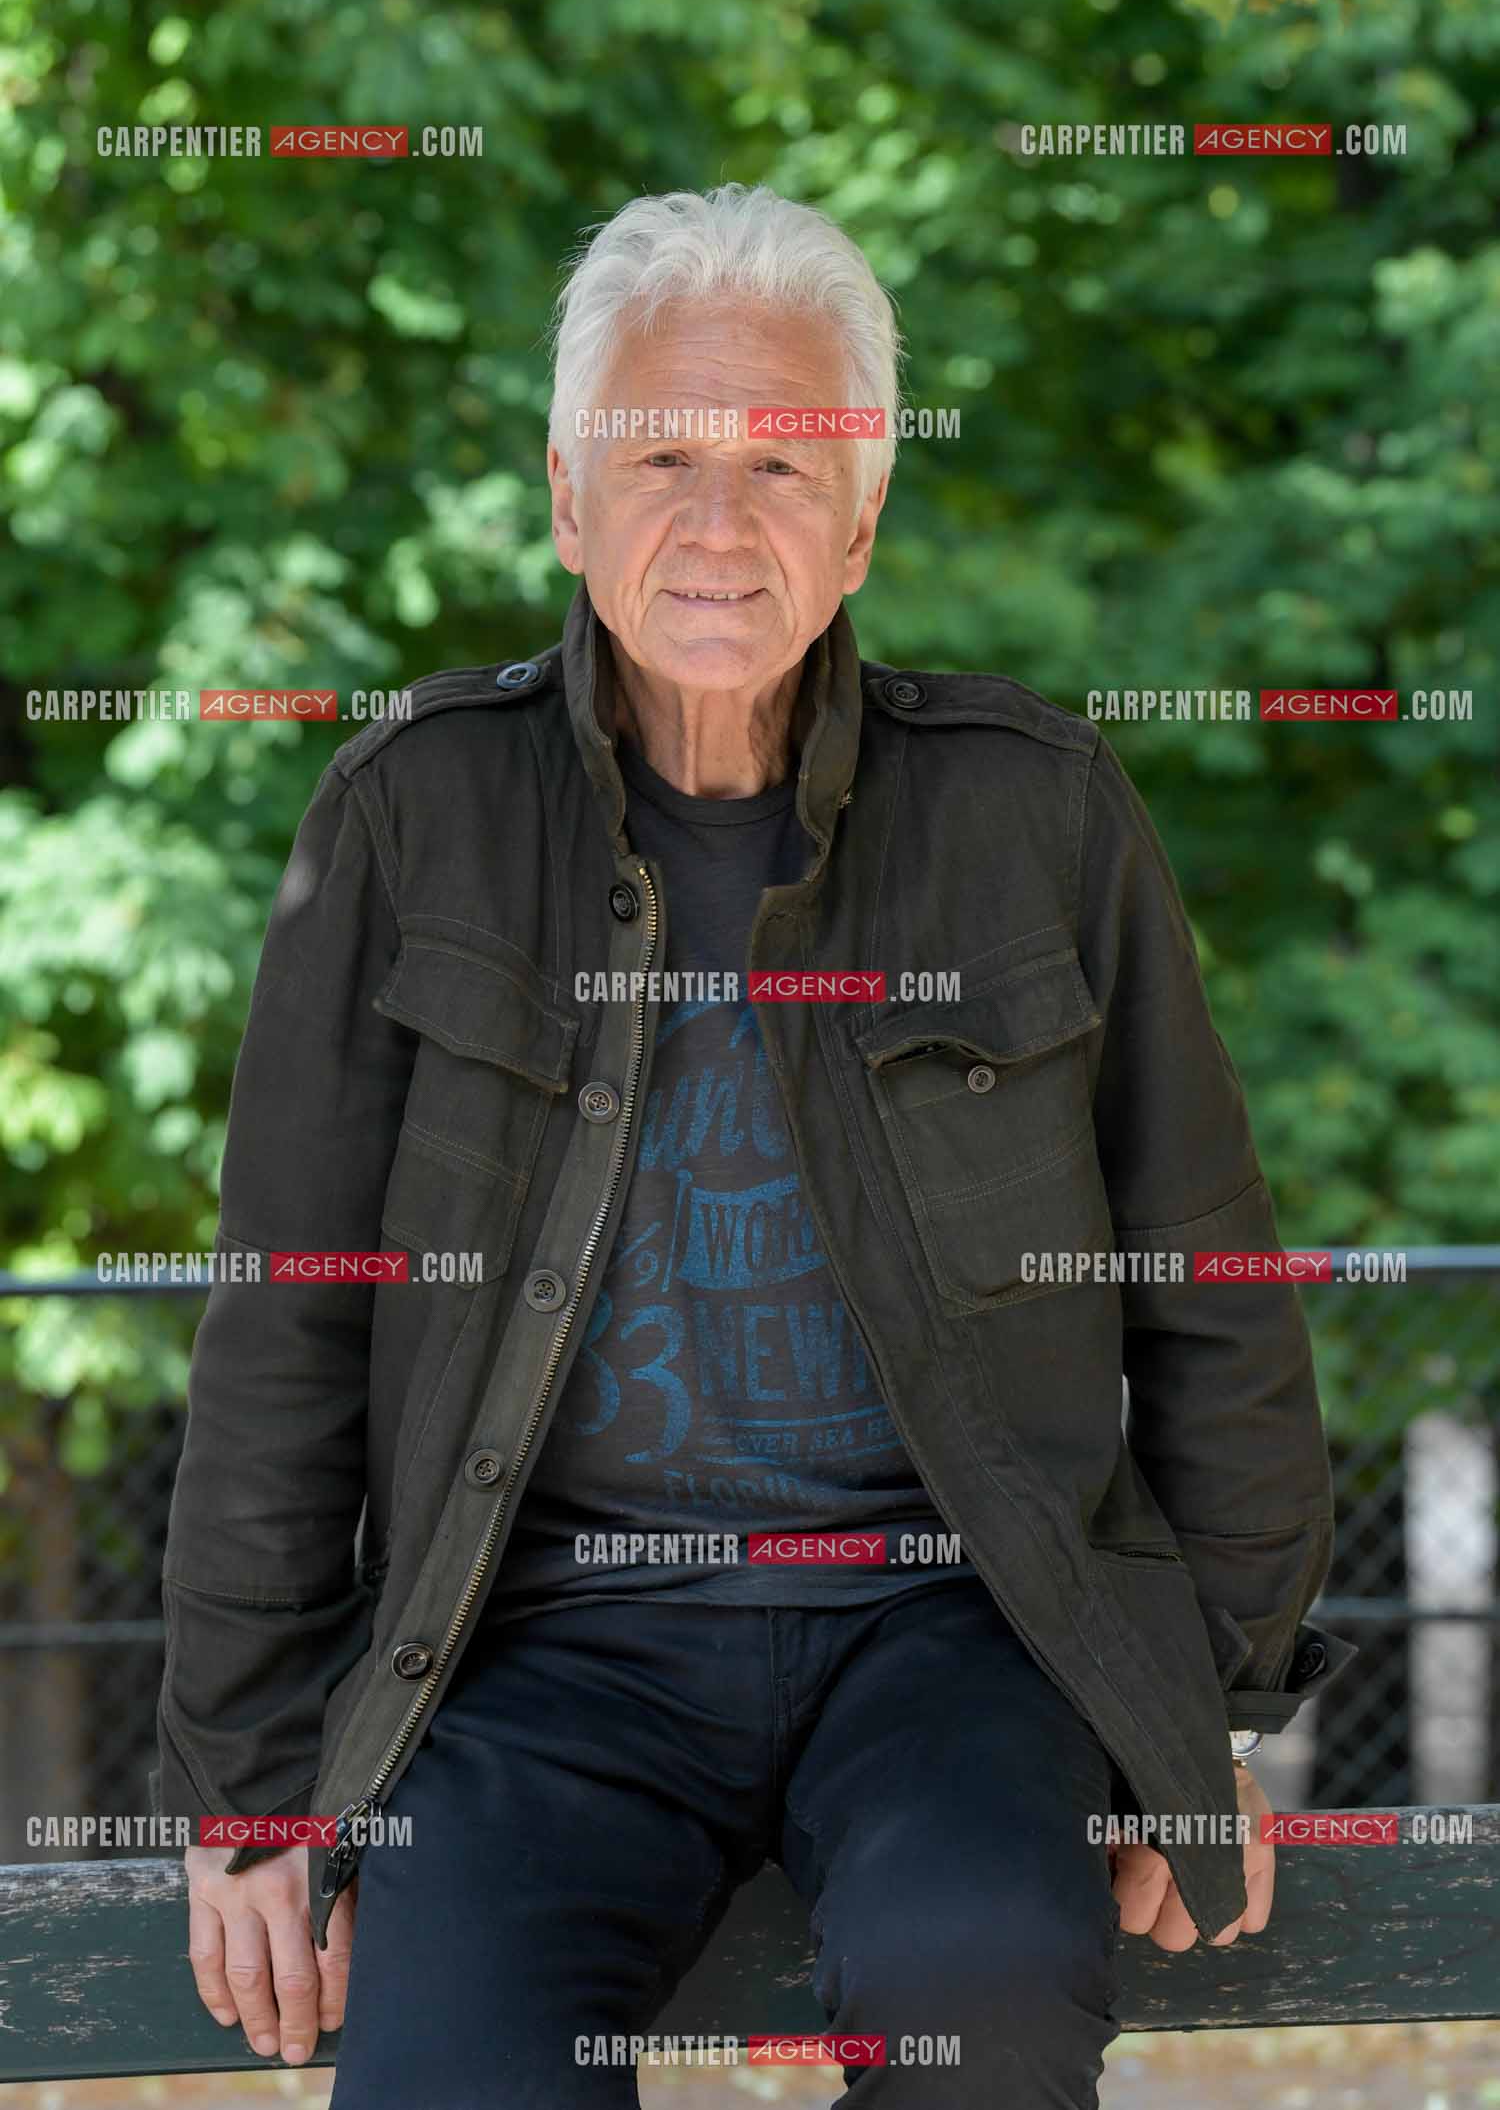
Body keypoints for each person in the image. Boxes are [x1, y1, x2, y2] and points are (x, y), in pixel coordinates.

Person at [154, 182, 1356, 2107]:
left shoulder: (1034, 814)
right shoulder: (410, 817)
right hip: (543, 1652)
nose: (721, 521)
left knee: (983, 1995)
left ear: (865, 514)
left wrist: (1195, 1705)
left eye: (787, 461)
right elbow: (288, 1327)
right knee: (449, 2068)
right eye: (663, 454)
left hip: (948, 1630)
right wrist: (243, 1785)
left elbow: (1206, 1278)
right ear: (568, 497)